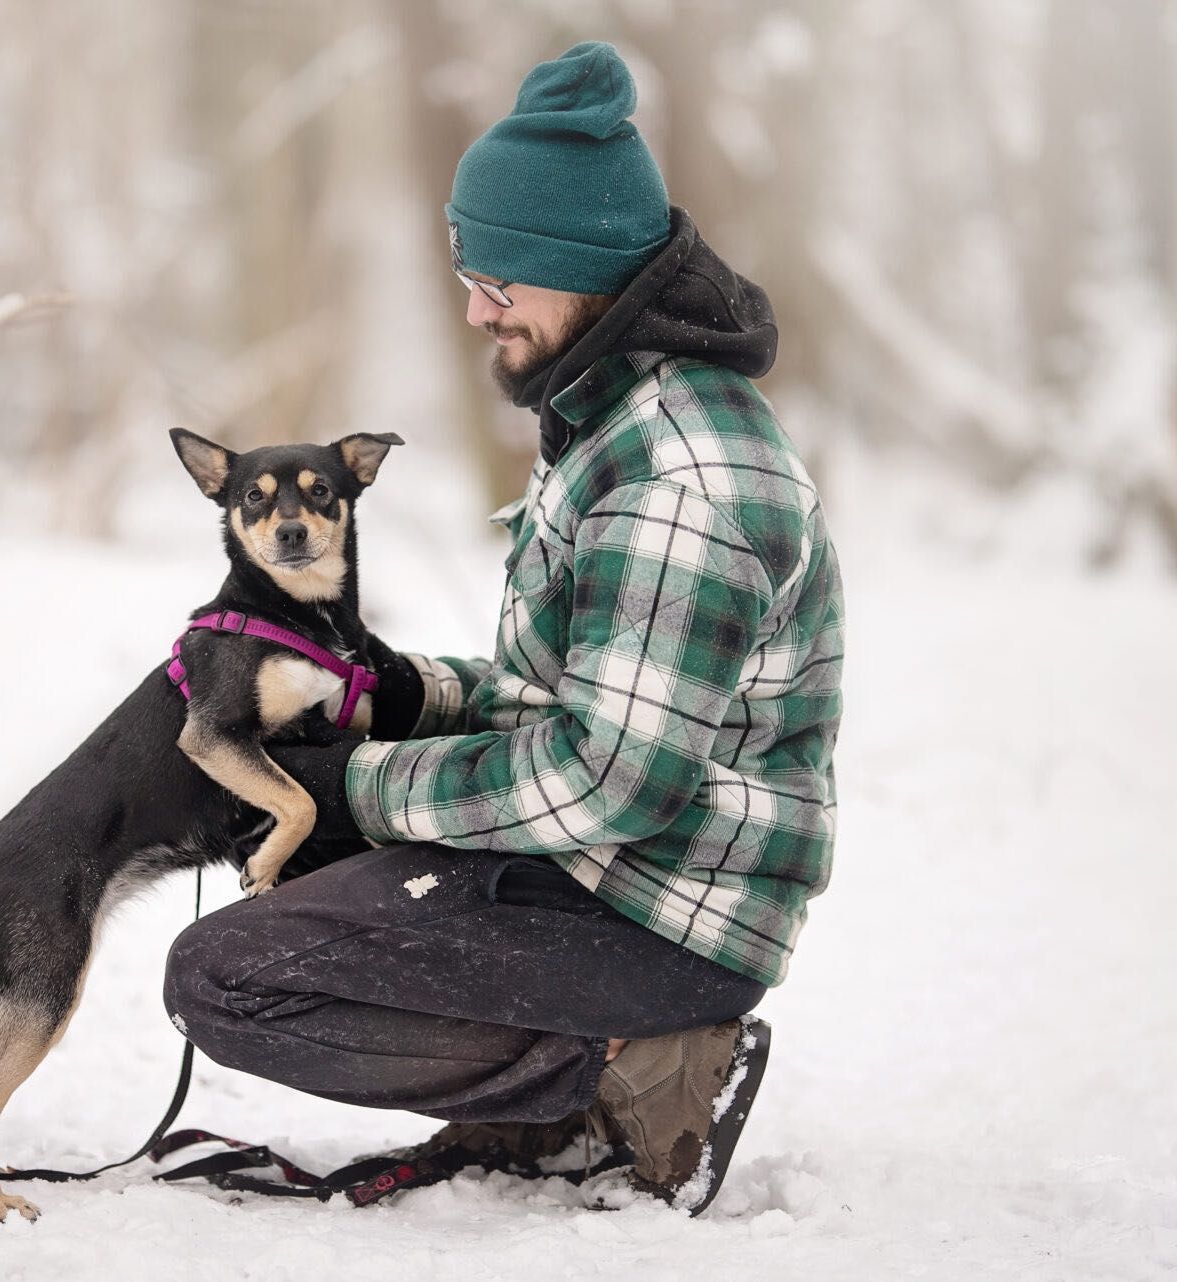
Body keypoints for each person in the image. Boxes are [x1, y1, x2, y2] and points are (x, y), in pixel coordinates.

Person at [162, 40, 843, 1212]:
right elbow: (569, 696)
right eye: (469, 273)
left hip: (663, 908)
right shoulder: (615, 416)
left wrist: (359, 784)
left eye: (500, 280)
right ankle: (555, 1076)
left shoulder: (679, 478)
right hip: (601, 866)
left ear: (583, 270)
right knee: (293, 836)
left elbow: (611, 779)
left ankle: (634, 1066)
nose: (476, 309)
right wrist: (398, 690)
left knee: (229, 979)